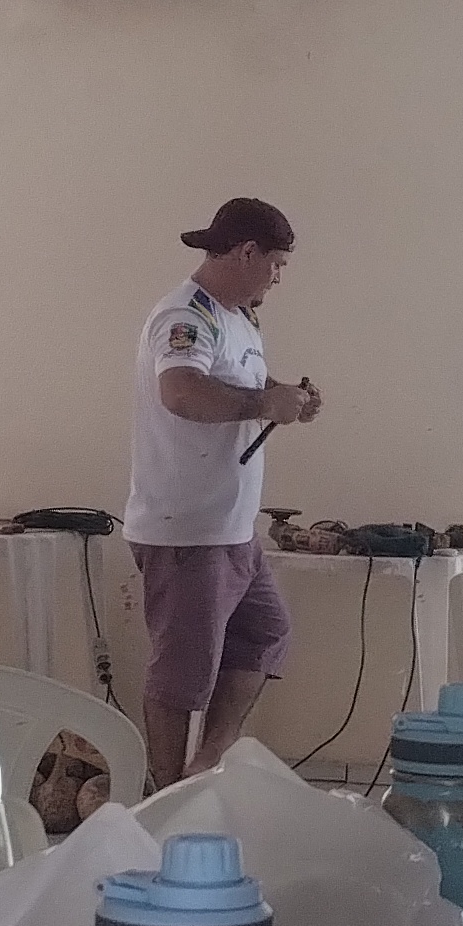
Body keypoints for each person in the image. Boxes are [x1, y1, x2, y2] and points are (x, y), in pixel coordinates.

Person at [126, 197, 321, 792]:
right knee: (183, 674)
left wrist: (286, 396)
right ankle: (166, 795)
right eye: (276, 264)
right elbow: (181, 392)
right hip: (188, 528)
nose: (278, 278)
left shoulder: (240, 318)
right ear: (246, 252)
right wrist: (264, 402)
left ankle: (207, 763)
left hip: (231, 527)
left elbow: (240, 388)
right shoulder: (185, 315)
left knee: (265, 633)